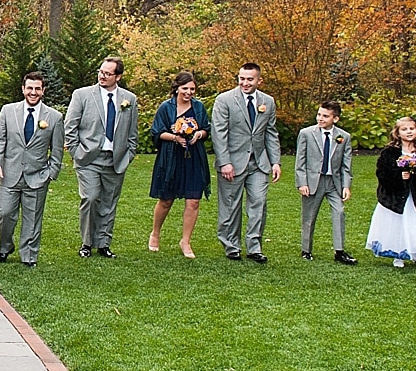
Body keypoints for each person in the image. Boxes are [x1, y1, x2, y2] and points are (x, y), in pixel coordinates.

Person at [64, 56, 139, 259]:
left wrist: (128, 154)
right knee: (90, 197)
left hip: (115, 160)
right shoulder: (82, 95)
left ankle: (103, 243)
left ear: (118, 76)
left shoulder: (129, 99)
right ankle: (87, 243)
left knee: (109, 201)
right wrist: (77, 153)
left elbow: (132, 132)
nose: (102, 76)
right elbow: (70, 127)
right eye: (101, 71)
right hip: (88, 158)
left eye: (107, 73)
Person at [0, 72, 64, 267]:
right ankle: (5, 247)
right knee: (5, 214)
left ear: (43, 91)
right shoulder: (8, 111)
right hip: (9, 173)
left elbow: (57, 149)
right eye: (29, 88)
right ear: (23, 89)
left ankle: (29, 255)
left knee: (32, 219)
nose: (33, 92)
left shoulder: (54, 118)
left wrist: (51, 173)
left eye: (37, 88)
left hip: (37, 176)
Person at [210, 62, 281, 263]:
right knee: (230, 206)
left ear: (259, 80)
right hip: (232, 162)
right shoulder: (224, 100)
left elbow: (270, 133)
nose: (245, 83)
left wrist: (275, 161)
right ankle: (231, 245)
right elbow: (219, 133)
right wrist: (225, 162)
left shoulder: (268, 101)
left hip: (259, 163)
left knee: (259, 203)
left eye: (250, 79)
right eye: (242, 78)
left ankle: (254, 246)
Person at [367, 116, 416, 269]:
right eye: (404, 129)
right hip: (395, 197)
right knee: (397, 224)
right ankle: (398, 255)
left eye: (411, 129)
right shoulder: (389, 152)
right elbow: (382, 173)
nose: (408, 132)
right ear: (397, 132)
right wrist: (399, 176)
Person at [148, 71, 211, 259]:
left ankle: (186, 240)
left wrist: (198, 134)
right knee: (166, 199)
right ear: (177, 88)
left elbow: (206, 129)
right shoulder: (165, 108)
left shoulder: (198, 107)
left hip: (193, 158)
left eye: (192, 89)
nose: (189, 92)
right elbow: (156, 132)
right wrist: (175, 137)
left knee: (193, 201)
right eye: (185, 88)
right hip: (170, 158)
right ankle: (155, 233)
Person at [295, 101, 356, 265]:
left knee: (339, 212)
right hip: (313, 180)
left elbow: (346, 164)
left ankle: (340, 251)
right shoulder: (306, 134)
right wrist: (302, 183)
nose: (320, 118)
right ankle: (306, 250)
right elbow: (300, 161)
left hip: (333, 181)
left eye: (325, 116)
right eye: (319, 114)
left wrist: (346, 186)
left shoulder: (344, 137)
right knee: (309, 216)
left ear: (335, 119)